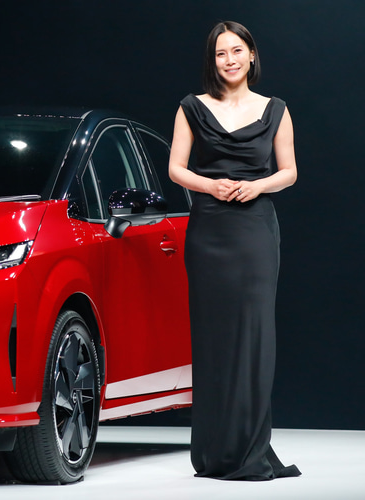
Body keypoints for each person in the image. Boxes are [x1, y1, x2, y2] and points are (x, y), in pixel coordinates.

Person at [168, 21, 301, 480]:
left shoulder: (276, 109)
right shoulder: (191, 107)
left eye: (237, 50)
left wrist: (256, 186)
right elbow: (176, 168)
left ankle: (249, 448)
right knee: (213, 337)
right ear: (213, 60)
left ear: (251, 55)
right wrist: (211, 185)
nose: (230, 59)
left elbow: (289, 172)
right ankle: (215, 452)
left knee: (254, 336)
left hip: (255, 231)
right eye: (221, 53)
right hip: (209, 230)